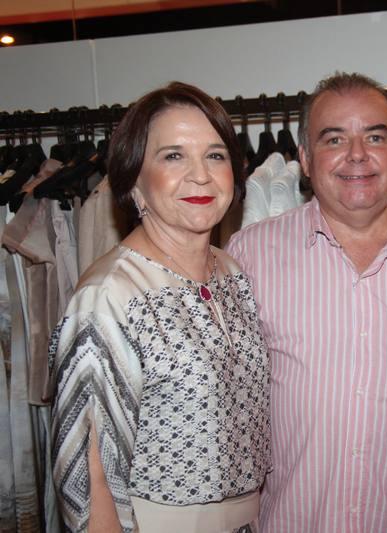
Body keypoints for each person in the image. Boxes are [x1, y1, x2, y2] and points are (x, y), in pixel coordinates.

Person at [226, 73, 387, 532]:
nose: (358, 154)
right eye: (334, 139)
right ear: (305, 159)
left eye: (376, 137)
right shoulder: (249, 255)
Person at [49, 82, 271, 532]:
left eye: (215, 155)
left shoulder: (231, 272)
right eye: (173, 156)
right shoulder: (108, 297)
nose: (201, 175)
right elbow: (89, 478)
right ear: (134, 179)